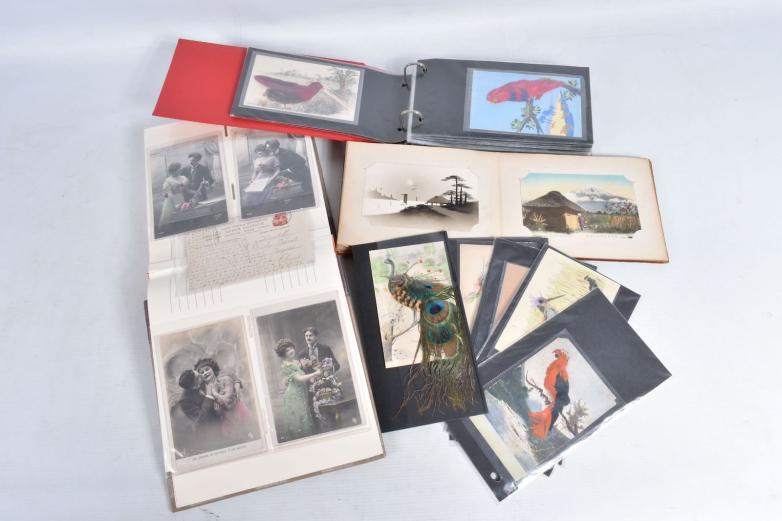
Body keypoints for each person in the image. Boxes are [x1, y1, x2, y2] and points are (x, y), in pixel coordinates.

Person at [275, 338, 321, 441]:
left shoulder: (296, 362)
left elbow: (300, 375)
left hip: (301, 394)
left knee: (304, 418)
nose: (291, 351)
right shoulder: (286, 366)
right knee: (299, 421)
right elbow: (300, 379)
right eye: (287, 351)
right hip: (294, 395)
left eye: (291, 348)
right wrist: (315, 373)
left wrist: (309, 368)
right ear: (283, 354)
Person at [194, 358, 250, 438]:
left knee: (247, 432)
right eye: (202, 372)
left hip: (238, 412)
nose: (205, 373)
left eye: (207, 369)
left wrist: (214, 393)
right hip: (224, 421)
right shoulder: (203, 391)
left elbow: (228, 402)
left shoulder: (224, 380)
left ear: (212, 369)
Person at [158, 162, 189, 227]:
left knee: (183, 217)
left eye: (180, 168)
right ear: (174, 171)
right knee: (168, 218)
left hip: (181, 198)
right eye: (179, 169)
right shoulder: (168, 181)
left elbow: (186, 189)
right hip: (170, 201)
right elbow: (166, 194)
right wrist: (175, 201)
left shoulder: (183, 178)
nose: (181, 170)